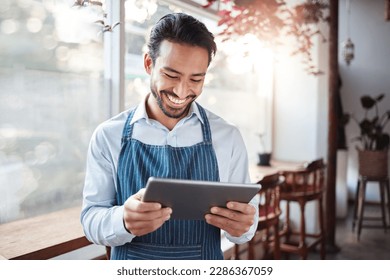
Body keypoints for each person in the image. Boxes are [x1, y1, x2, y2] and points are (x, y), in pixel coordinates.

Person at [81, 12, 258, 260]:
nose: (182, 90)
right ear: (148, 64)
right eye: (171, 75)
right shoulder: (108, 135)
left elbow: (245, 227)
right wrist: (122, 220)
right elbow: (90, 220)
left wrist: (244, 226)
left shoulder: (227, 136)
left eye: (196, 79)